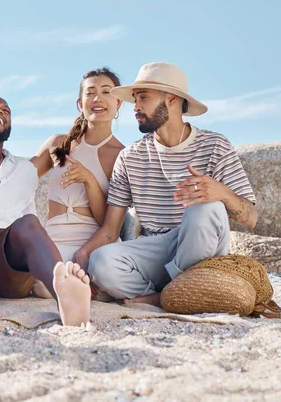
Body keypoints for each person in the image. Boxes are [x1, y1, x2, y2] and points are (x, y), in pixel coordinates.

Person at [76, 62, 257, 306]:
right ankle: (173, 294)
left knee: (205, 208)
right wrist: (84, 253)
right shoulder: (130, 157)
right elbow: (110, 230)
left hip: (200, 243)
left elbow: (251, 219)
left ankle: (164, 295)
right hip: (155, 247)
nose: (136, 107)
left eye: (143, 98)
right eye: (135, 100)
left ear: (171, 99)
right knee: (102, 262)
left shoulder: (215, 146)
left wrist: (221, 193)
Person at [0, 96, 91, 327]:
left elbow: (57, 143)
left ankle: (66, 296)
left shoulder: (25, 170)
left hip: (8, 267)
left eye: (6, 110)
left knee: (28, 222)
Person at [31, 68, 125, 263]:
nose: (97, 98)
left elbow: (108, 225)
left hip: (94, 247)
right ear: (80, 103)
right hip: (53, 242)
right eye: (90, 93)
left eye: (106, 91)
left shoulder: (122, 155)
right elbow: (18, 176)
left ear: (118, 102)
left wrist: (89, 180)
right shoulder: (57, 143)